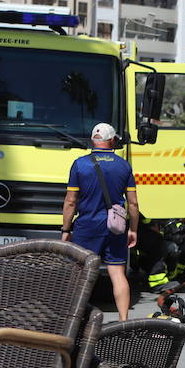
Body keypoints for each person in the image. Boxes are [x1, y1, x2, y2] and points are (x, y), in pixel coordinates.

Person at [61, 122, 139, 320]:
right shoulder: (124, 166)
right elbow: (133, 204)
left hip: (86, 227)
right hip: (115, 228)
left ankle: (73, 320)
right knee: (117, 273)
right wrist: (133, 230)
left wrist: (66, 229)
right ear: (112, 140)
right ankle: (123, 321)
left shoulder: (80, 164)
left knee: (79, 275)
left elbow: (71, 201)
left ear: (92, 140)